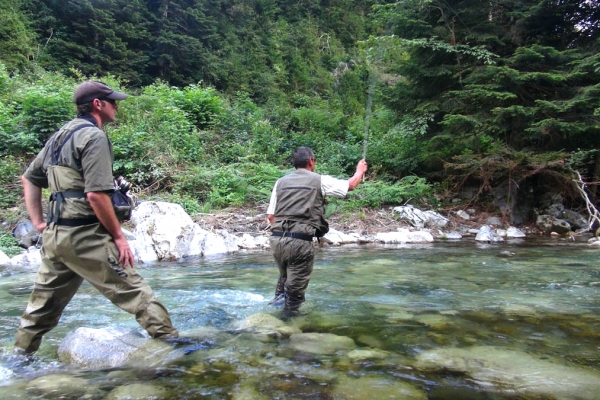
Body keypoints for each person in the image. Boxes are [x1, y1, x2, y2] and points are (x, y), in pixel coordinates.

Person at [14, 81, 178, 355]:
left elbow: (29, 178)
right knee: (137, 294)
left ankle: (20, 358)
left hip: (56, 238)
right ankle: (177, 349)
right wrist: (117, 236)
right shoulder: (94, 137)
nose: (116, 105)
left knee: (40, 309)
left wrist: (41, 223)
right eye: (112, 101)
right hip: (86, 236)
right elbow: (96, 196)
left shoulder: (59, 136)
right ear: (97, 105)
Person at [266, 146, 368, 317]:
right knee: (295, 295)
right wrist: (359, 170)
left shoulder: (280, 182)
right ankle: (286, 328)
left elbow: (271, 216)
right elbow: (350, 185)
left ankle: (272, 317)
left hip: (276, 241)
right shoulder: (318, 180)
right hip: (299, 242)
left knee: (284, 285)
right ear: (311, 161)